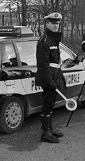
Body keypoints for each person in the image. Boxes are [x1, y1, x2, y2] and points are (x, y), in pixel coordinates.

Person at [35, 12, 65, 143]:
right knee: (47, 104)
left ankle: (50, 128)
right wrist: (49, 81)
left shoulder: (53, 39)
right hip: (49, 78)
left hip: (54, 76)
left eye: (57, 23)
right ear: (47, 23)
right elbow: (43, 65)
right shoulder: (44, 41)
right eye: (53, 23)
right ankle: (45, 133)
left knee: (51, 104)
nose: (56, 26)